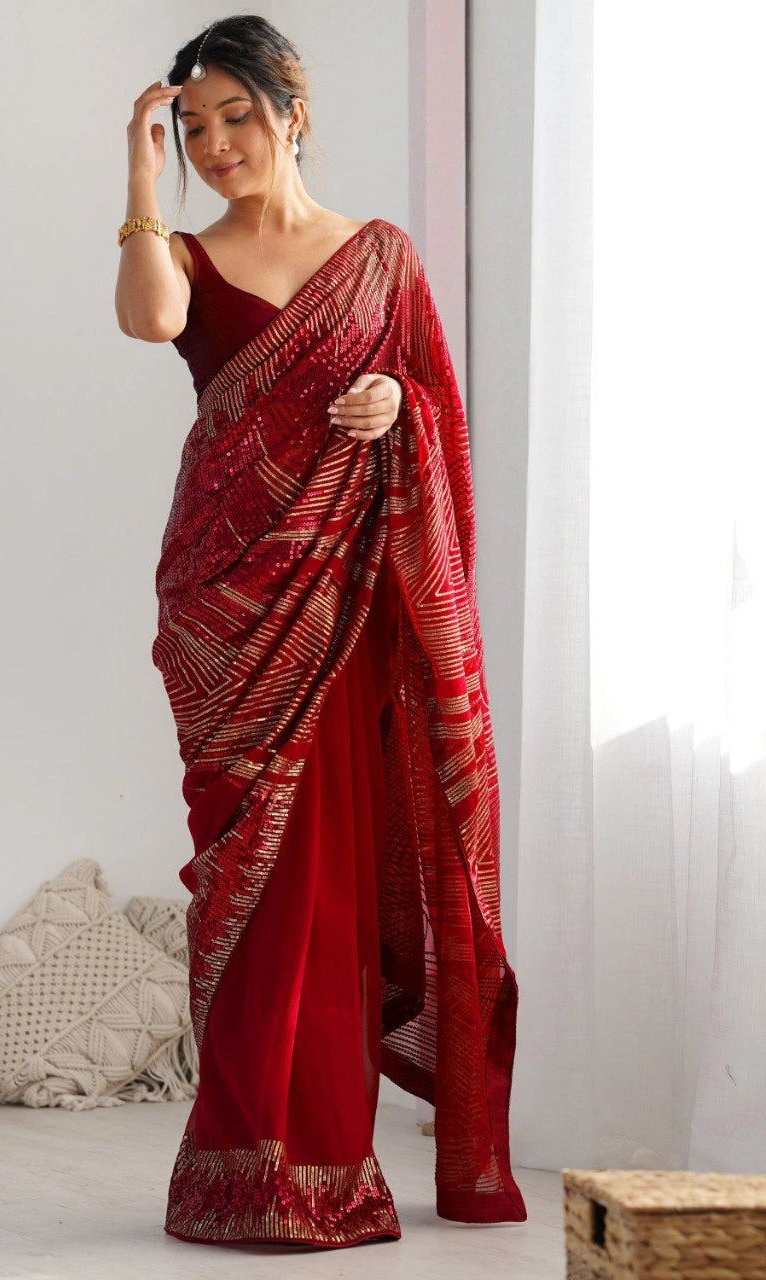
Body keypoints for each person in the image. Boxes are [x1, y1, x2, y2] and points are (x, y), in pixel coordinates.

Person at [114, 14, 527, 1250]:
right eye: (193, 129)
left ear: (293, 111)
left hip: (343, 610)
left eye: (237, 116)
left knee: (327, 877)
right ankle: (236, 1167)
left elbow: (437, 420)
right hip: (227, 611)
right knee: (241, 878)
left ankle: (325, 1163)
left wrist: (396, 397)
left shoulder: (380, 258)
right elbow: (145, 322)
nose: (218, 144)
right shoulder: (184, 250)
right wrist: (139, 176)